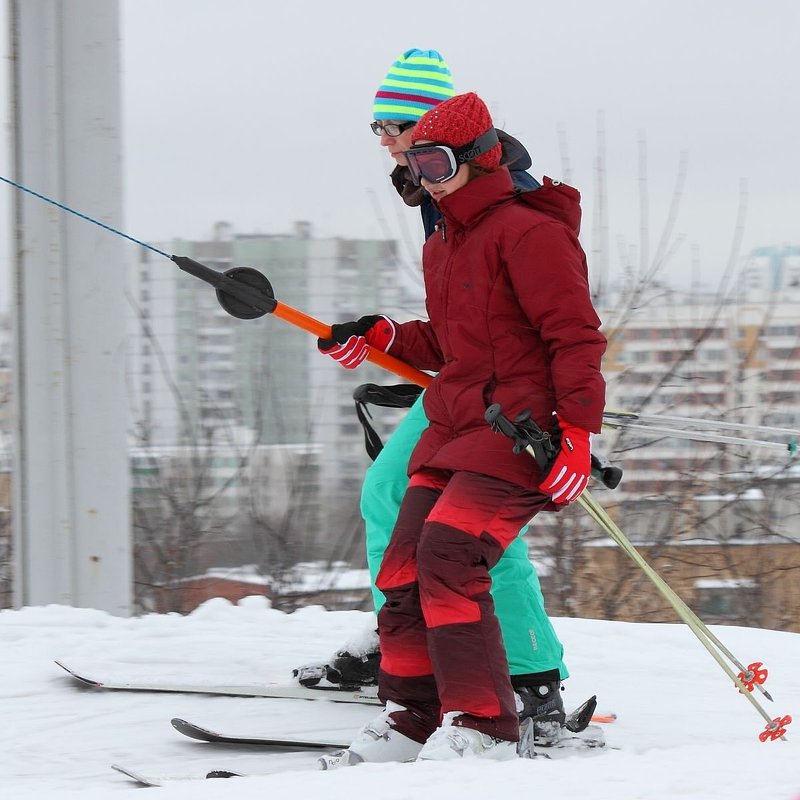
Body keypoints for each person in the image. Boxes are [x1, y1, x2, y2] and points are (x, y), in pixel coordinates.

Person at [317, 91, 606, 762]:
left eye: (437, 161)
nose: (425, 177)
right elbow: (453, 342)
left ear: (481, 157)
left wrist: (580, 434)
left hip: (521, 430)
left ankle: (484, 726)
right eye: (417, 164)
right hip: (459, 424)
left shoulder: (532, 232)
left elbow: (576, 338)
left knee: (450, 556)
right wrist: (383, 335)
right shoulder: (447, 240)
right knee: (402, 566)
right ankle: (412, 716)